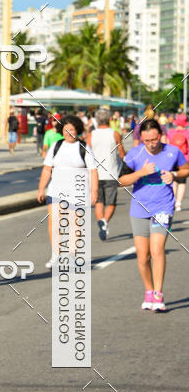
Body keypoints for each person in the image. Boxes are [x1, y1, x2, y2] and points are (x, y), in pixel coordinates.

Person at [118, 118, 189, 311]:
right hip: (139, 208)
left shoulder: (172, 152)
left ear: (161, 135)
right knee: (143, 255)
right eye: (146, 140)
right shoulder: (134, 154)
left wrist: (174, 175)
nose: (151, 143)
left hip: (164, 206)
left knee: (157, 250)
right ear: (141, 138)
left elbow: (186, 170)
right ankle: (149, 291)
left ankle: (158, 294)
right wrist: (140, 172)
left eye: (154, 139)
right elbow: (121, 180)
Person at [37, 115, 98, 267]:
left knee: (74, 226)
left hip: (77, 192)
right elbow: (47, 169)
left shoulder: (83, 147)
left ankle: (71, 254)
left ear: (77, 130)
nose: (68, 132)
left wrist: (94, 191)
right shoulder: (56, 146)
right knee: (55, 223)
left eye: (71, 129)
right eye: (65, 129)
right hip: (56, 191)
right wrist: (41, 189)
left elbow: (93, 171)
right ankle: (56, 254)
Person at [86, 107, 125, 240]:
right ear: (109, 119)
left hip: (95, 174)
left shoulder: (91, 135)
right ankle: (105, 221)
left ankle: (101, 222)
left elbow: (87, 153)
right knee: (111, 202)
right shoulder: (115, 134)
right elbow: (121, 153)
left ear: (96, 120)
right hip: (111, 172)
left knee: (99, 202)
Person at [165, 113, 189, 210]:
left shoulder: (170, 132)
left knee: (174, 180)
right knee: (182, 182)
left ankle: (173, 201)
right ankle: (178, 204)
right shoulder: (187, 132)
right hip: (185, 159)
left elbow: (167, 145)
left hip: (172, 158)